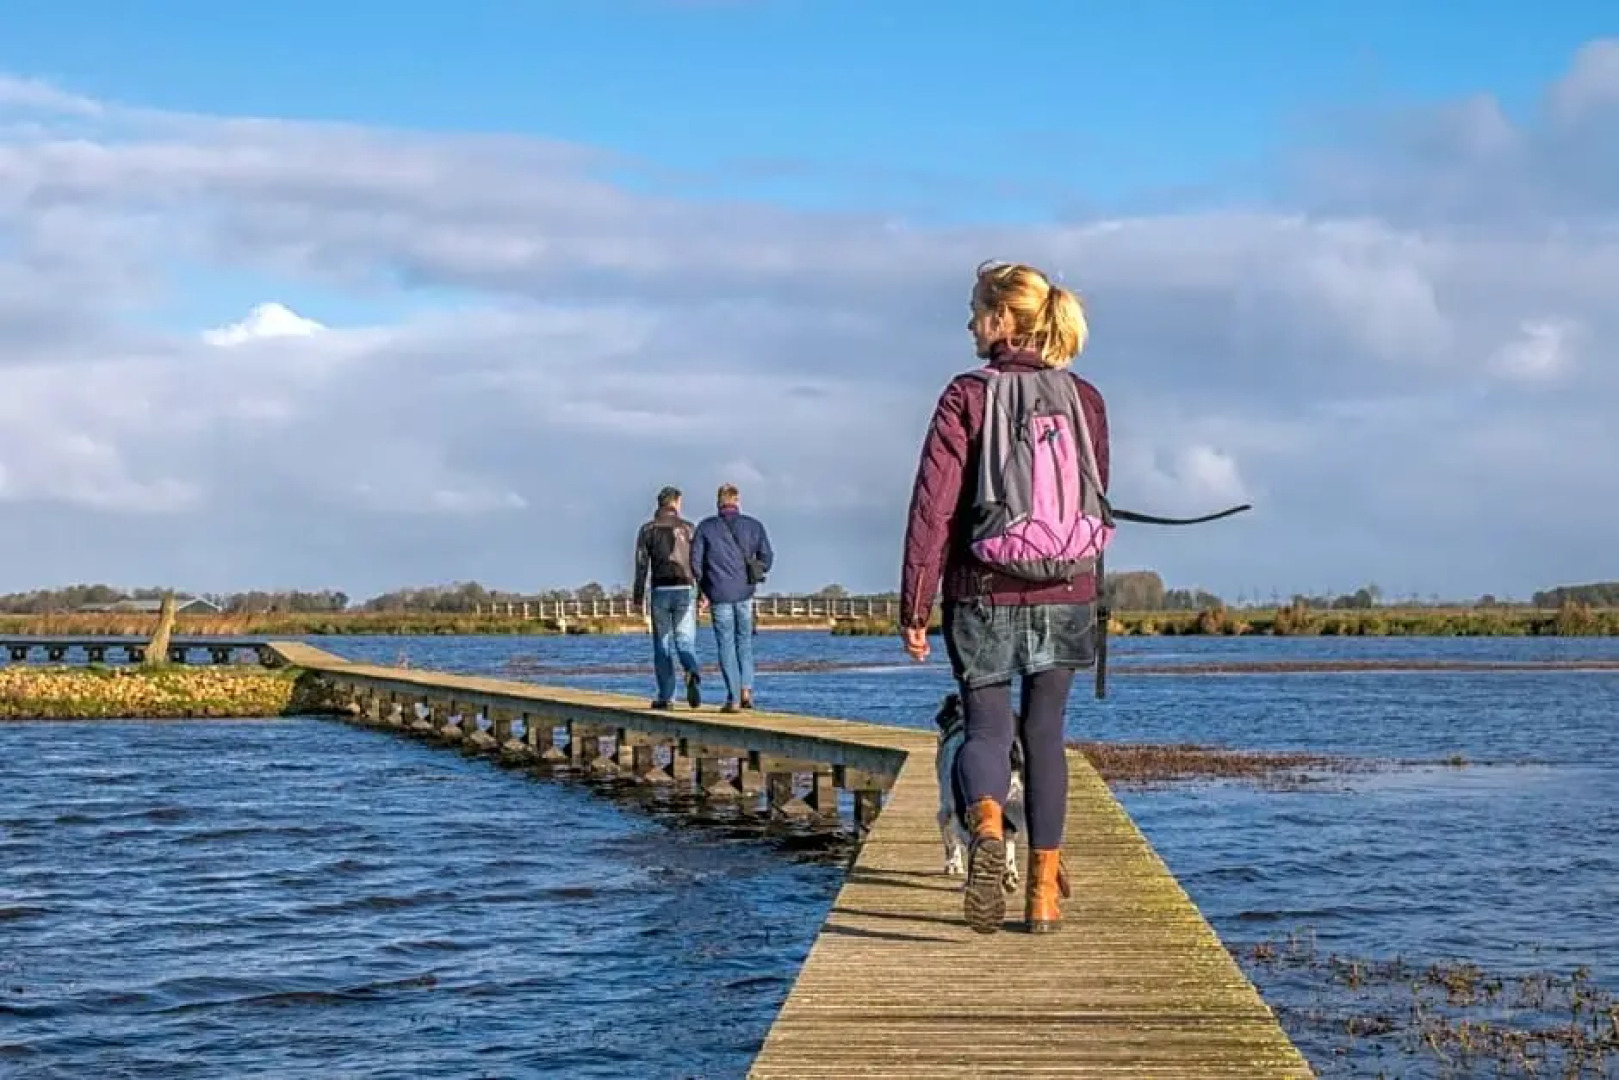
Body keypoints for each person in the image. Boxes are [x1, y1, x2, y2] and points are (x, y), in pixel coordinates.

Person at [899, 260, 1109, 936]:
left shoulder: (966, 395)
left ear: (999, 319)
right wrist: (1085, 591)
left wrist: (914, 605)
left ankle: (986, 826)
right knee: (1045, 735)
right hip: (1069, 588)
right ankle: (1043, 896)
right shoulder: (1086, 398)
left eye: (973, 309)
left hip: (983, 588)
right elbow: (1091, 497)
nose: (967, 323)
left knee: (986, 729)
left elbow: (933, 509)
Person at [691, 483, 775, 712]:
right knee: (744, 643)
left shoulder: (705, 528)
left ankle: (733, 697)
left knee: (726, 645)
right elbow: (767, 558)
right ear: (737, 501)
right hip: (745, 592)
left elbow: (695, 564)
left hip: (718, 593)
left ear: (718, 502)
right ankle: (746, 690)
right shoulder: (754, 526)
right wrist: (755, 570)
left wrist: (704, 587)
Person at [631, 486, 703, 710]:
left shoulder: (647, 530)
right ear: (677, 503)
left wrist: (638, 596)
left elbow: (642, 565)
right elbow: (698, 563)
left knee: (662, 645)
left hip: (660, 590)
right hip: (685, 588)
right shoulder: (689, 529)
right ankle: (691, 668)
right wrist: (703, 593)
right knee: (685, 641)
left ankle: (666, 696)